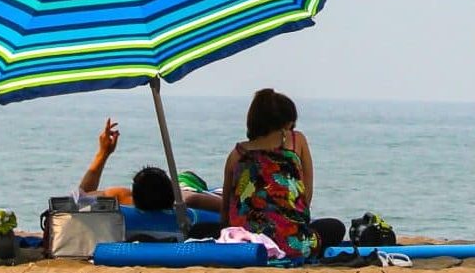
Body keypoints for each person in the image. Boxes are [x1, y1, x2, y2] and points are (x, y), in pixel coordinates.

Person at [221, 88, 345, 260]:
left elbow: (226, 209)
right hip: (292, 242)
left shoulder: (237, 154)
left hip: (245, 243)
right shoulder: (296, 141)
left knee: (201, 229)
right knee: (335, 227)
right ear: (287, 124)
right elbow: (305, 197)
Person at [79, 118, 224, 213]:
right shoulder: (186, 199)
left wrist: (103, 153)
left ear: (134, 196)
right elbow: (229, 207)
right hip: (187, 184)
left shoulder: (123, 198)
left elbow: (80, 198)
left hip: (175, 188)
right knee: (188, 176)